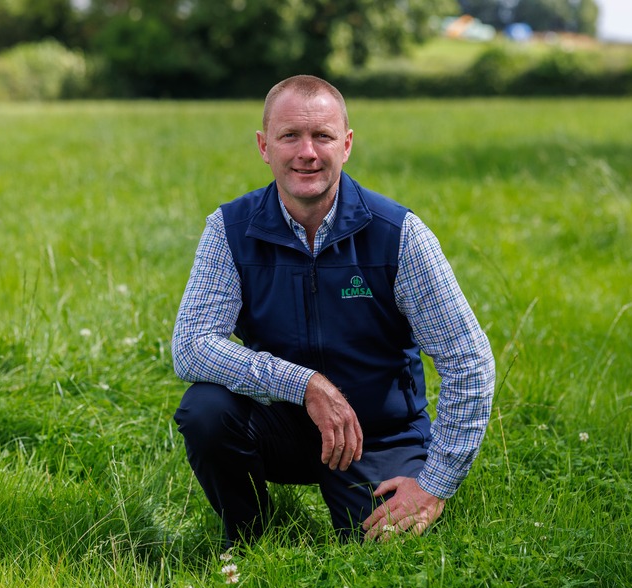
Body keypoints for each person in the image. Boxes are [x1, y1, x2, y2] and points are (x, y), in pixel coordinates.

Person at [172, 75, 495, 546]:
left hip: (378, 434)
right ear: (264, 146)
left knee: (383, 551)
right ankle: (248, 540)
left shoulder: (399, 234)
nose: (307, 152)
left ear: (346, 145)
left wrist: (435, 484)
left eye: (322, 136)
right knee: (205, 410)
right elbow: (191, 345)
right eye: (290, 136)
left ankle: (379, 495)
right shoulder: (229, 229)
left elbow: (469, 361)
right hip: (282, 423)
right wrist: (305, 384)